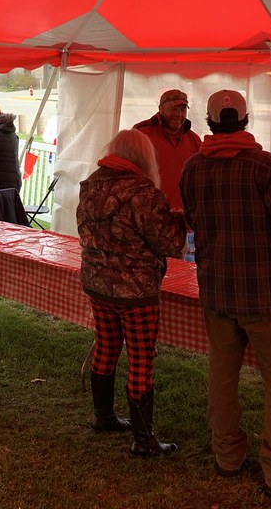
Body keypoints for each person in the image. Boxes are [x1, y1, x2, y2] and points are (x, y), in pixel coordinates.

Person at [179, 90, 271, 499]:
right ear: (247, 120)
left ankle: (227, 455)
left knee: (222, 372)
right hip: (268, 295)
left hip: (217, 289)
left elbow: (193, 221)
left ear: (210, 121)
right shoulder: (267, 166)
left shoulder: (193, 168)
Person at [77, 129, 186, 456]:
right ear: (143, 156)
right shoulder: (144, 193)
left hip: (98, 282)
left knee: (107, 347)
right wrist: (179, 221)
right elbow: (171, 244)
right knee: (141, 359)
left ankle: (104, 416)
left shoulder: (90, 185)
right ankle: (143, 439)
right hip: (135, 289)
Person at [133, 89, 202, 211]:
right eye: (174, 109)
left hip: (184, 217)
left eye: (182, 110)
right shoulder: (143, 134)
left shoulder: (194, 140)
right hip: (150, 213)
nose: (178, 115)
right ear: (160, 109)